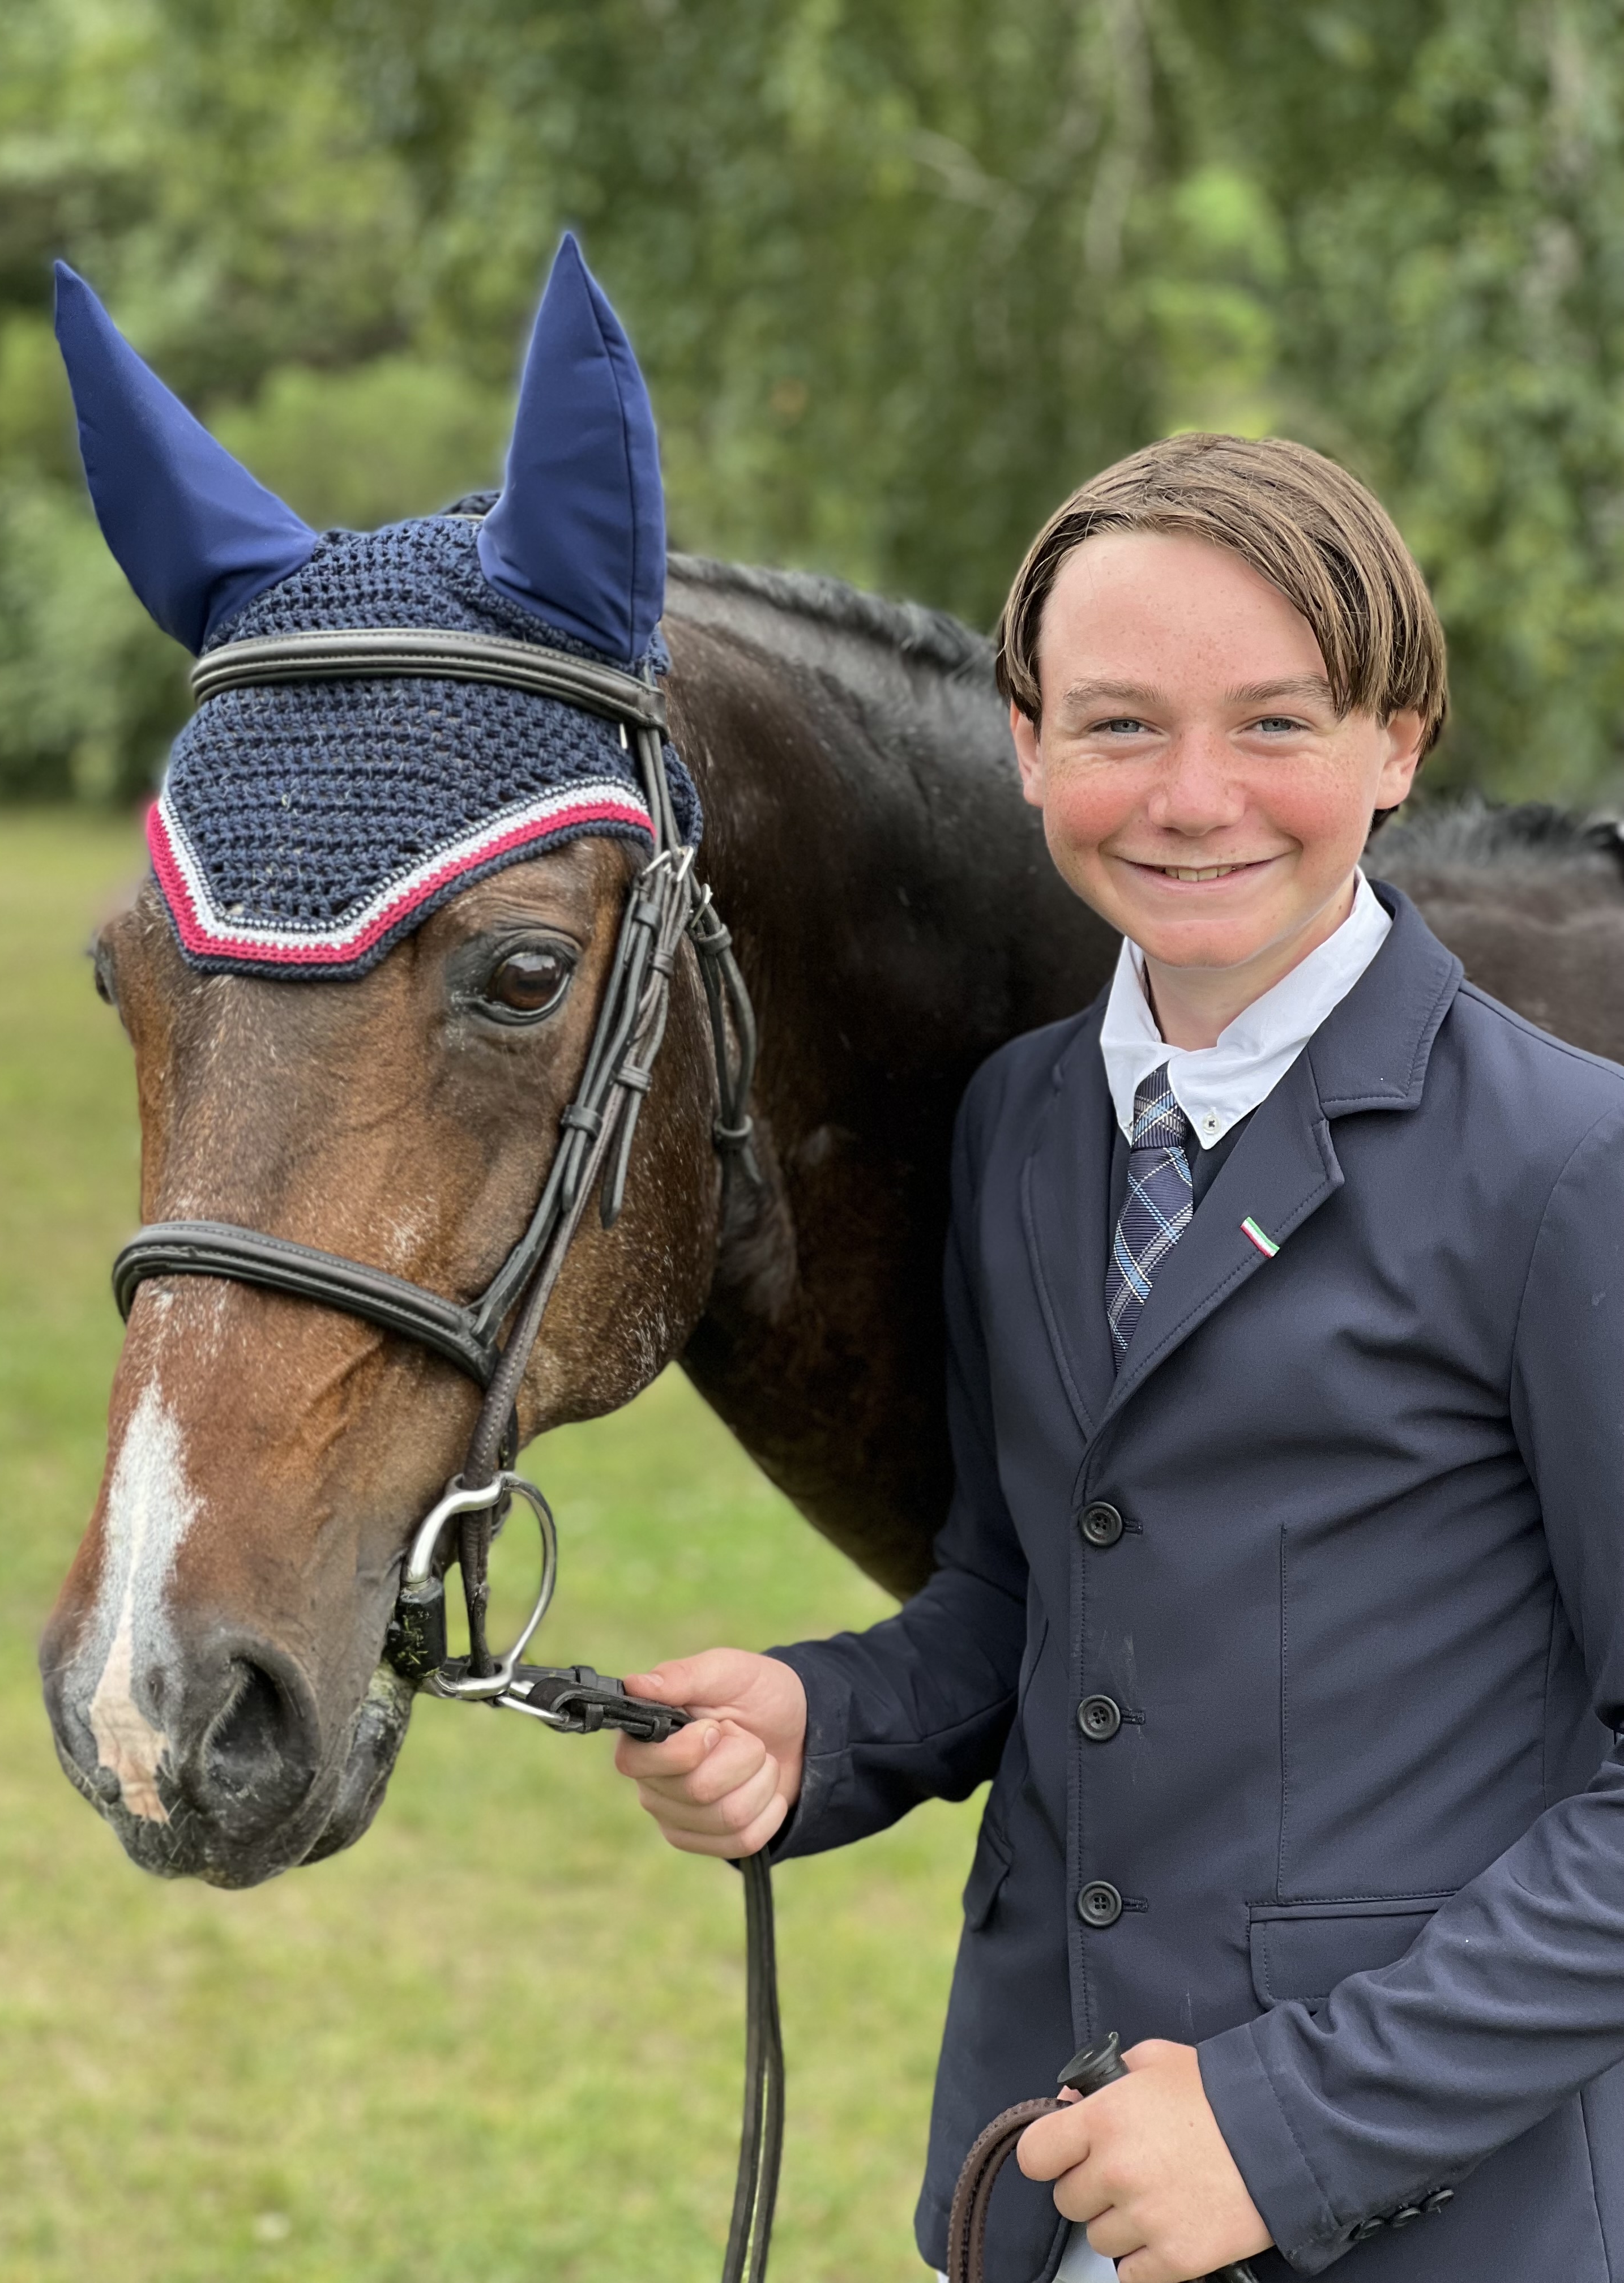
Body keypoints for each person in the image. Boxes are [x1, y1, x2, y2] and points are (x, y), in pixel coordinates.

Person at [613, 434, 1624, 2282]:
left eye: (1277, 724)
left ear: (1399, 742)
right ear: (1025, 746)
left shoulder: (1572, 1167)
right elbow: (1024, 1589)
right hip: (1051, 2182)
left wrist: (1289, 2129)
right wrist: (824, 1722)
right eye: (1117, 726)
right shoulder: (1022, 1122)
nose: (1192, 796)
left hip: (1426, 2211)